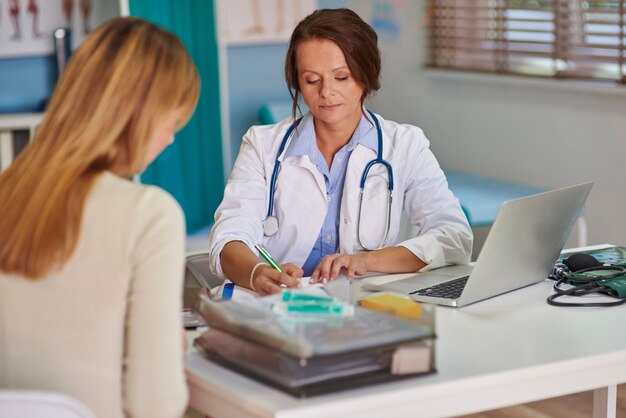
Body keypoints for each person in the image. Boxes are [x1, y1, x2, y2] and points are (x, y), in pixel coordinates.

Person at [0, 17, 200, 418]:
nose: (170, 139)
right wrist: (163, 347)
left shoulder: (9, 190)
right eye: (170, 123)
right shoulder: (150, 214)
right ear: (139, 116)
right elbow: (155, 405)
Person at [209, 8, 472, 296]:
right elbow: (230, 237)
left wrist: (366, 260)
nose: (326, 92)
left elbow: (454, 237)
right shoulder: (262, 146)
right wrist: (257, 272)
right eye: (312, 80)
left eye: (341, 77)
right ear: (297, 81)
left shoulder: (406, 145)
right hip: (280, 304)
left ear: (366, 74)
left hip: (362, 305)